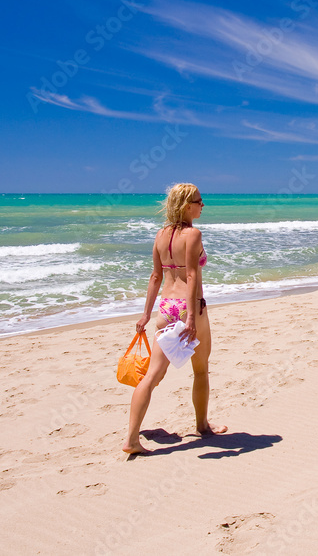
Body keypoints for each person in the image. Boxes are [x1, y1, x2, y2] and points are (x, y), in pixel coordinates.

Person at [122, 183, 226, 455]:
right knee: (201, 369)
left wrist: (146, 314)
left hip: (165, 307)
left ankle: (131, 439)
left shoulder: (160, 235)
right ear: (186, 205)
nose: (203, 205)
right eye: (199, 201)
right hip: (188, 307)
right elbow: (191, 275)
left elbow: (156, 276)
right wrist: (191, 316)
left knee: (152, 376)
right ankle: (202, 426)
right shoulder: (193, 234)